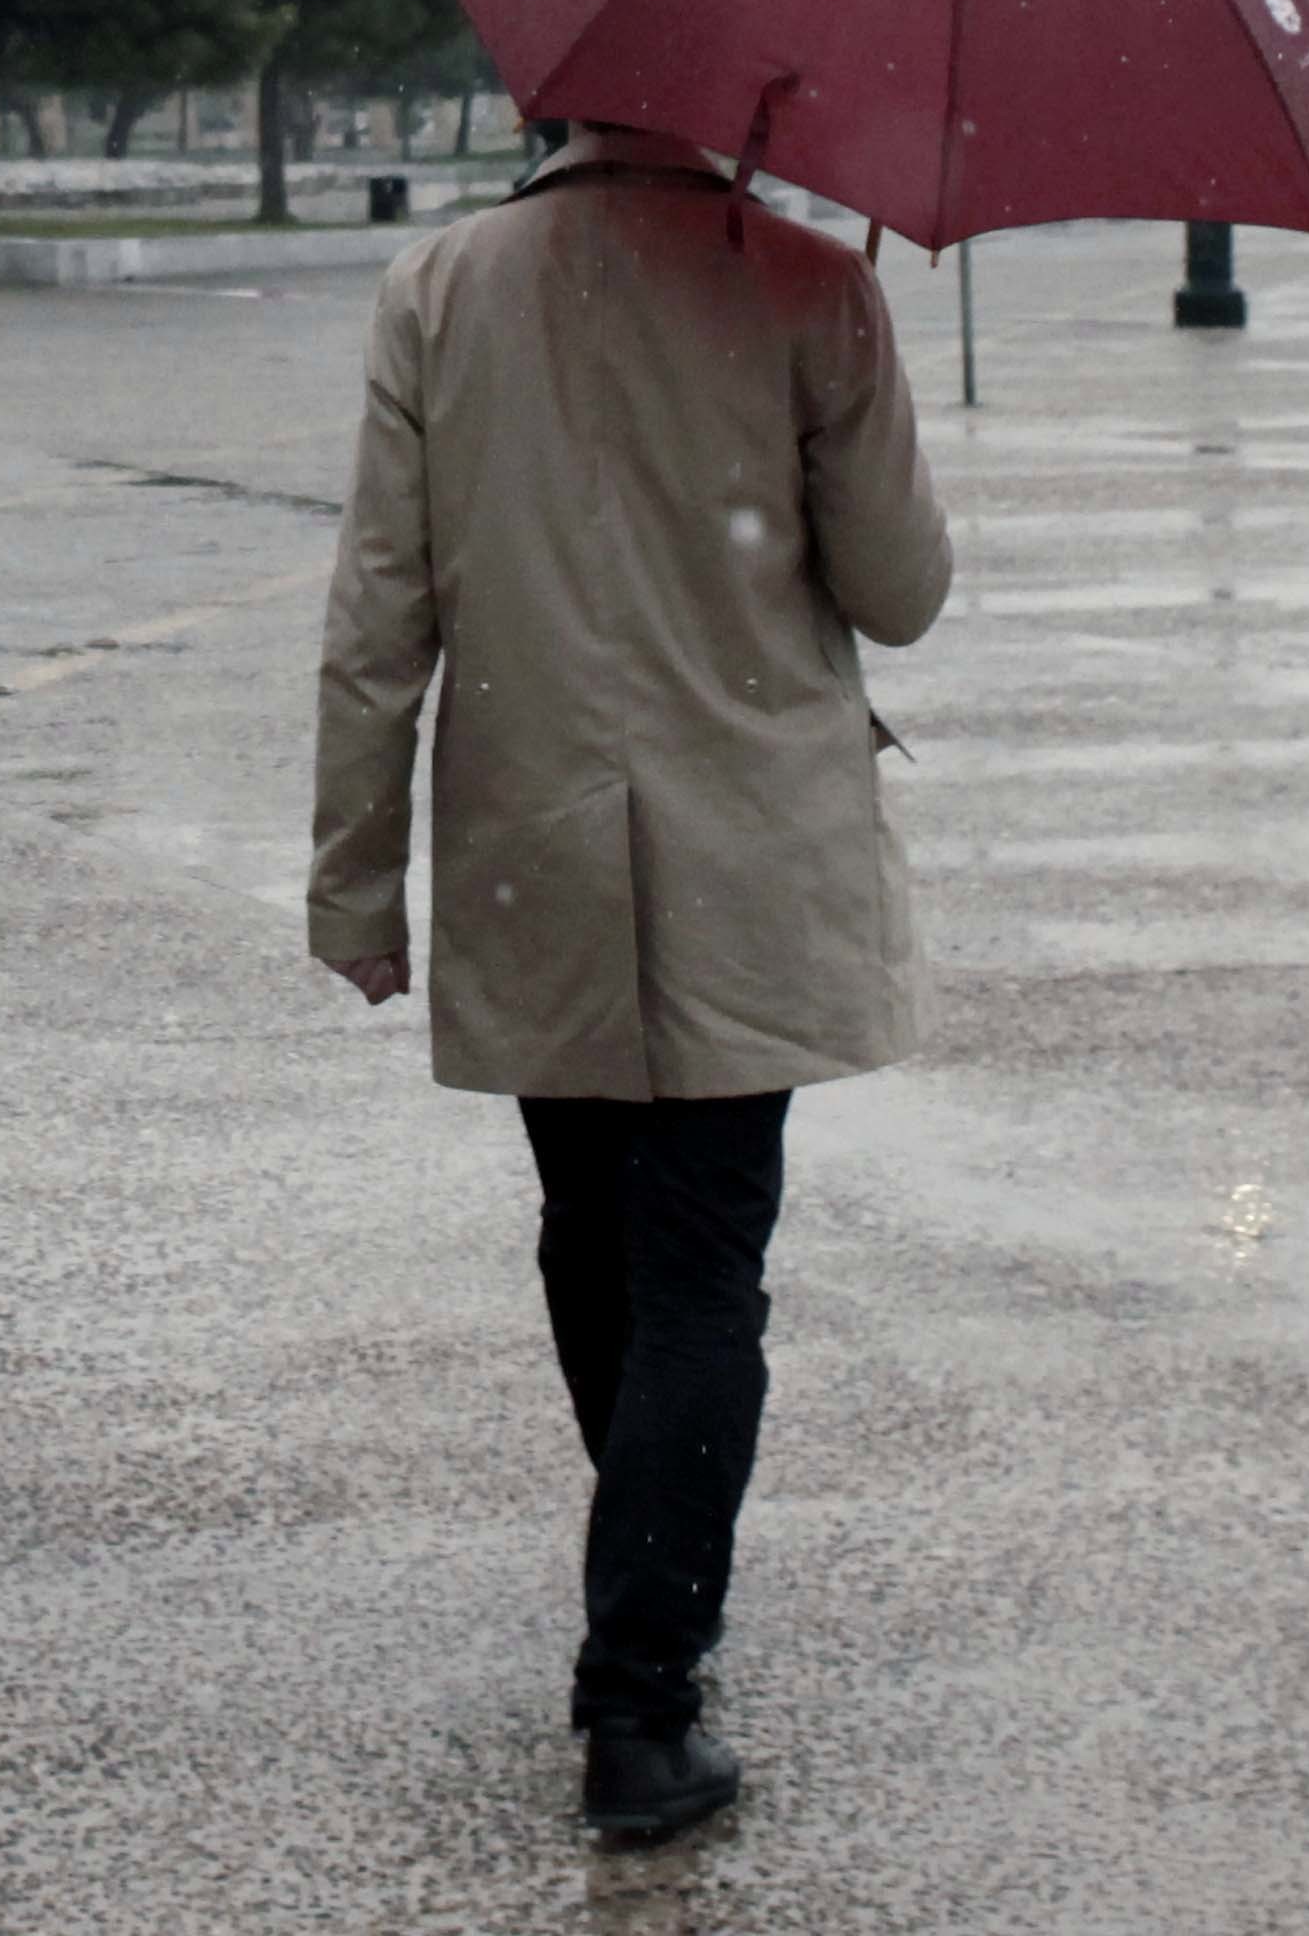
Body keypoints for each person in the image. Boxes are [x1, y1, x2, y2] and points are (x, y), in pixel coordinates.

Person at [308, 120, 955, 1847]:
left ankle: (648, 1580)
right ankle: (643, 1695)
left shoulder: (439, 288)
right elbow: (901, 593)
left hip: (540, 847)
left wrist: (355, 879)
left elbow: (380, 608)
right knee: (701, 1275)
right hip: (747, 849)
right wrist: (853, 389)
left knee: (593, 1233)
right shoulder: (810, 286)